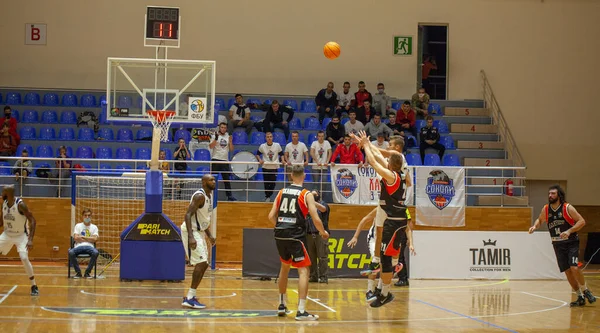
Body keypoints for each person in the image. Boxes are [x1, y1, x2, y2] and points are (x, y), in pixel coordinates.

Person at [268, 165, 329, 321]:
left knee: (284, 268)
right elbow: (316, 218)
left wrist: (281, 226)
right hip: (295, 234)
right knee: (304, 271)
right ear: (304, 176)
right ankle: (301, 311)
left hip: (280, 233)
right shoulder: (305, 194)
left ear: (290, 176)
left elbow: (270, 216)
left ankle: (281, 304)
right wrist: (323, 232)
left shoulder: (281, 192)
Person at [356, 131, 407, 307]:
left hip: (394, 221)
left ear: (391, 165)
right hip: (396, 219)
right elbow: (379, 156)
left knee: (386, 259)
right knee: (386, 258)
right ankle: (382, 290)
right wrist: (366, 144)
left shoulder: (391, 176)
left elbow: (373, 161)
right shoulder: (397, 174)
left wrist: (365, 145)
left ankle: (385, 292)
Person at [528, 185, 596, 307]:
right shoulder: (546, 209)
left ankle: (586, 290)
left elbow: (582, 221)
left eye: (553, 193)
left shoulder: (567, 208)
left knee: (574, 267)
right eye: (549, 193)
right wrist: (534, 226)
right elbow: (539, 219)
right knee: (568, 271)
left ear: (559, 195)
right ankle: (579, 296)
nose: (550, 195)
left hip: (571, 242)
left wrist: (569, 231)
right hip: (557, 244)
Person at [181, 174, 217, 309]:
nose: (214, 182)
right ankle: (189, 298)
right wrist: (191, 236)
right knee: (201, 263)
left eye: (214, 179)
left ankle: (191, 295)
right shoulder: (199, 196)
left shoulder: (210, 196)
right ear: (203, 182)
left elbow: (203, 219)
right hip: (191, 231)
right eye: (210, 180)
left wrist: (210, 235)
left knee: (205, 264)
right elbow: (188, 215)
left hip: (199, 232)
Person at [0, 186, 39, 296]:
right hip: (7, 234)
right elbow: (1, 223)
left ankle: (34, 285)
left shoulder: (20, 205)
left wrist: (30, 239)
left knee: (24, 258)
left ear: (9, 193)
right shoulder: (3, 204)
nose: (2, 192)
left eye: (3, 191)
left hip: (21, 235)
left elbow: (33, 221)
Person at [306, 190, 330, 283]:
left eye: (314, 194)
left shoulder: (323, 204)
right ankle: (313, 276)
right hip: (309, 234)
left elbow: (323, 209)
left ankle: (323, 277)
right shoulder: (308, 206)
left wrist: (312, 201)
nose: (313, 196)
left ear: (318, 195)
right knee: (311, 257)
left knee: (322, 256)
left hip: (321, 234)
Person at [68, 209, 99, 279]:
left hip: (90, 247)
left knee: (96, 252)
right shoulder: (78, 226)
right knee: (70, 252)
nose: (87, 217)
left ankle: (87, 273)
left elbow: (95, 239)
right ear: (82, 216)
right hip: (78, 247)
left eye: (89, 215)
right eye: (85, 215)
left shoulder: (94, 227)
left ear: (91, 217)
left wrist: (82, 237)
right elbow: (75, 238)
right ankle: (78, 272)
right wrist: (89, 238)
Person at [209, 122, 236, 201]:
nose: (223, 129)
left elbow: (231, 149)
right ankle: (211, 195)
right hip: (215, 159)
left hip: (225, 160)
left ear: (226, 128)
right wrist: (216, 139)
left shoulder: (228, 136)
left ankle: (229, 196)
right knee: (213, 180)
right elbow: (210, 146)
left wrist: (231, 142)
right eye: (222, 127)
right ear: (219, 128)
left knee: (226, 179)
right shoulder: (215, 135)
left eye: (224, 127)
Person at [256, 132, 283, 202]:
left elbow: (281, 154)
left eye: (270, 136)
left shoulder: (277, 145)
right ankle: (267, 196)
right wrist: (260, 160)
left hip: (274, 167)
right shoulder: (262, 146)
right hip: (265, 167)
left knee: (273, 183)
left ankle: (268, 195)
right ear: (265, 138)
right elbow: (257, 154)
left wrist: (283, 160)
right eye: (268, 137)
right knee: (266, 183)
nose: (269, 138)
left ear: (272, 138)